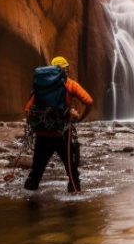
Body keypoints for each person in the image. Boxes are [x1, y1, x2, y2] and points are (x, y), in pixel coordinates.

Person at [23, 56, 93, 192]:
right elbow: (89, 101)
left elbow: (27, 109)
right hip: (63, 134)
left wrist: (42, 121)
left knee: (36, 172)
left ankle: (29, 204)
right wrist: (79, 118)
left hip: (42, 135)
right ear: (66, 69)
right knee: (72, 173)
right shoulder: (70, 84)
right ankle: (74, 204)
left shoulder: (41, 86)